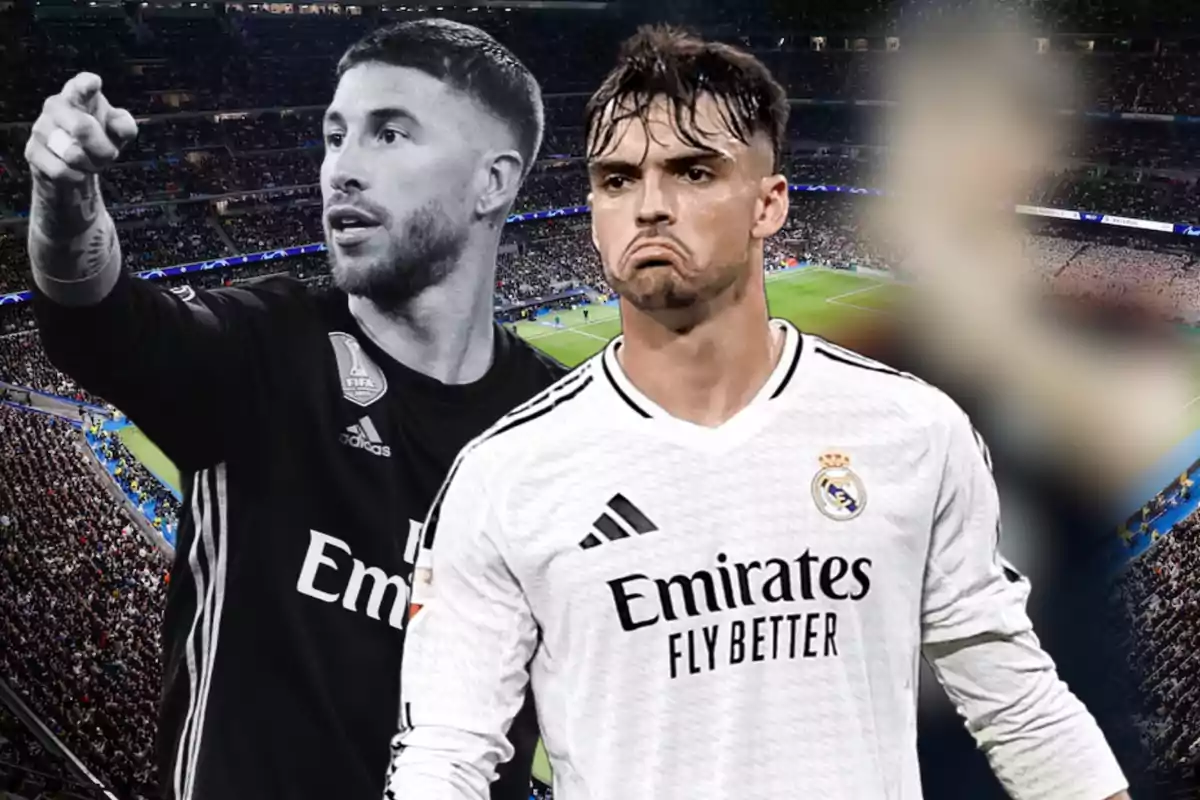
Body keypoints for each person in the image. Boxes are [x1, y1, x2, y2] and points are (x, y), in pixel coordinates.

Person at [383, 26, 1132, 800]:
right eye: (616, 180)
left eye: (693, 171)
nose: (650, 207)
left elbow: (1018, 704)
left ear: (770, 204)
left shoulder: (914, 430)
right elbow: (446, 754)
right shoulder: (504, 474)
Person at [25, 18, 562, 800]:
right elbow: (97, 320)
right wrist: (64, 205)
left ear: (494, 182)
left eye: (389, 135)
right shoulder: (265, 350)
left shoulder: (558, 427)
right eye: (334, 136)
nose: (340, 169)